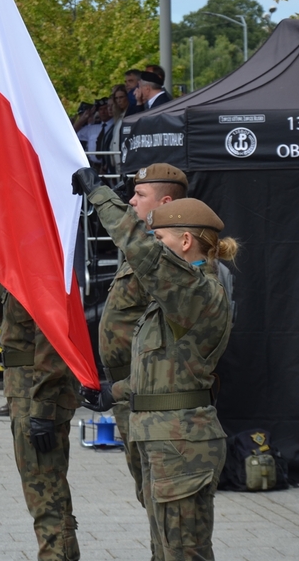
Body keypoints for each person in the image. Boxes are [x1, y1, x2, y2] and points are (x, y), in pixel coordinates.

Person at [74, 167, 236, 561]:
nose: (153, 244)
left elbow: (140, 251)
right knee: (165, 550)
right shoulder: (176, 296)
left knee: (183, 553)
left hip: (181, 443)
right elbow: (162, 377)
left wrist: (100, 197)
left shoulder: (196, 290)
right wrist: (110, 393)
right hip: (162, 438)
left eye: (159, 237)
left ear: (184, 242)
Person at [98, 163, 188, 524]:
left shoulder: (166, 255)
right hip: (130, 392)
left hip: (151, 395)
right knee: (148, 495)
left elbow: (130, 235)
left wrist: (98, 194)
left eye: (140, 195)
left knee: (165, 503)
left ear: (165, 202)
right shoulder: (150, 247)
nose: (132, 201)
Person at [0, 284, 80, 561]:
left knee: (46, 494)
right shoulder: (19, 266)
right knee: (44, 493)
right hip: (26, 391)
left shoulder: (39, 265)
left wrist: (42, 407)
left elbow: (53, 336)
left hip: (37, 392)